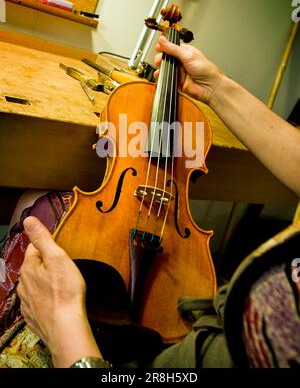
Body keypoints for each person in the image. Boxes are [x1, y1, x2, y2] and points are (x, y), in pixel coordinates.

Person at [16, 35, 300, 368]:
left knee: (34, 204)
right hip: (225, 317)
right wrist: (215, 87)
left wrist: (67, 334)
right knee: (35, 200)